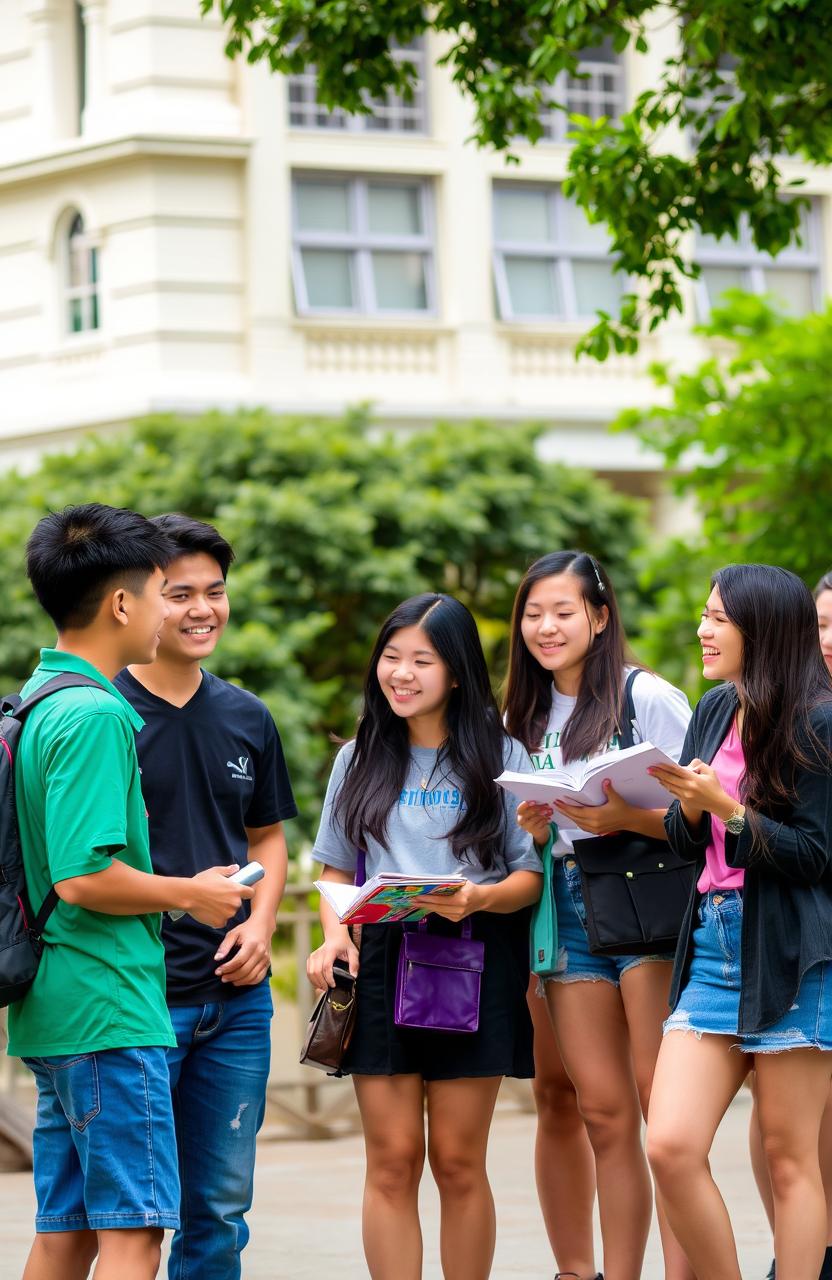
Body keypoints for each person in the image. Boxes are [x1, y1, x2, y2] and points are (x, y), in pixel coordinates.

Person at [8, 504, 251, 1280]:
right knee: (137, 1235)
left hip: (62, 1005)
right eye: (160, 592)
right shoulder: (96, 715)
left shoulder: (39, 697)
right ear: (121, 604)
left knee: (68, 1230)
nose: (170, 610)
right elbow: (84, 877)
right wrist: (192, 894)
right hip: (110, 1007)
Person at [307, 592, 543, 1280]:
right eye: (391, 657)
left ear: (458, 672)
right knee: (392, 1158)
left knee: (459, 1162)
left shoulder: (502, 756)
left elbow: (528, 878)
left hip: (472, 955)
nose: (400, 673)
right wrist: (336, 938)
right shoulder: (358, 757)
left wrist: (478, 896)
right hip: (379, 956)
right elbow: (331, 867)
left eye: (422, 660)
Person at [114, 513, 297, 1280]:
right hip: (140, 998)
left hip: (236, 1003)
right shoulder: (103, 714)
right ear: (140, 601)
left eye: (214, 592)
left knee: (219, 1211)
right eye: (180, 593)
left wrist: (260, 927)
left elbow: (268, 838)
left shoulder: (246, 715)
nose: (201, 610)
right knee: (135, 1218)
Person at [503, 549, 694, 1280]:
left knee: (660, 1110)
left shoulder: (647, 697)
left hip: (648, 903)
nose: (545, 627)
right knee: (603, 1112)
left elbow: (702, 817)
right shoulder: (517, 713)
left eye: (563, 611)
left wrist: (622, 816)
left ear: (600, 616)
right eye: (532, 612)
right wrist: (536, 830)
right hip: (566, 907)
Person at [646, 564, 832, 1280]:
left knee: (792, 1160)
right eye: (705, 614)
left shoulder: (819, 720)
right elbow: (684, 838)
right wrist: (693, 807)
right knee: (670, 1145)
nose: (703, 630)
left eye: (719, 618)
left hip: (791, 950)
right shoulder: (716, 708)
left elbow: (816, 855)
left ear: (763, 627)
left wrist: (726, 807)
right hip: (714, 947)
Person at [747, 568, 832, 1280]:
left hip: (811, 946)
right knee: (786, 1132)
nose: (828, 642)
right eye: (822, 625)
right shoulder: (785, 715)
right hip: (794, 938)